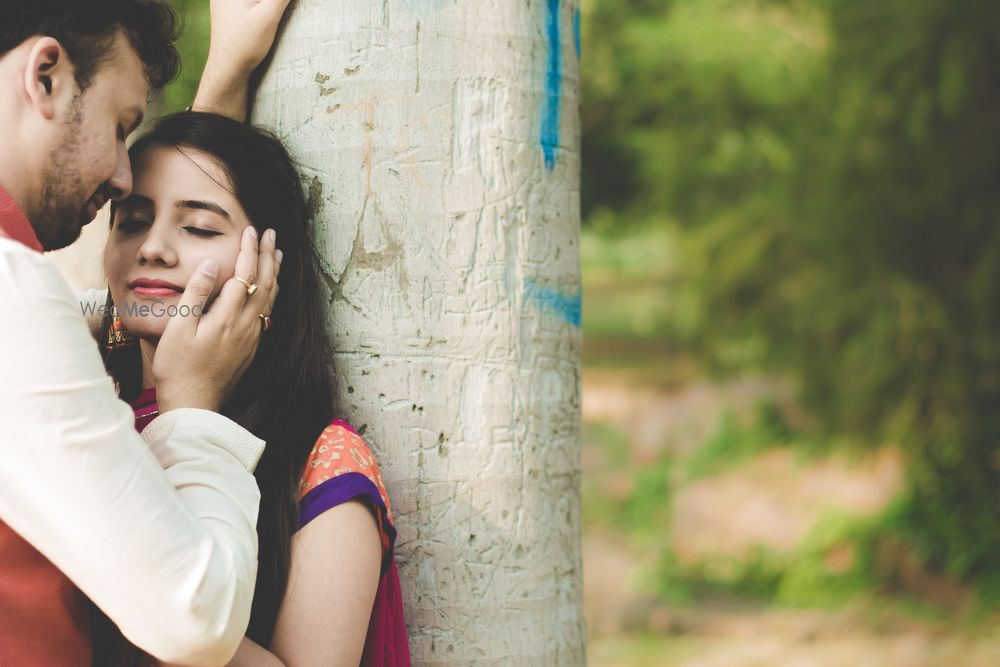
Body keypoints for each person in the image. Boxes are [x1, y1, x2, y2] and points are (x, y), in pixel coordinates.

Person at [0, 1, 287, 664]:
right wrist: (192, 403)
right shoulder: (14, 293)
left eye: (198, 226)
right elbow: (194, 617)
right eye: (121, 125)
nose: (124, 174)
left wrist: (227, 73)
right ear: (45, 76)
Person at [89, 108, 410, 666]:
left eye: (200, 228)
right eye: (133, 219)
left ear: (265, 268)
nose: (153, 248)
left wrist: (122, 572)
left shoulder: (321, 465)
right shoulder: (85, 406)